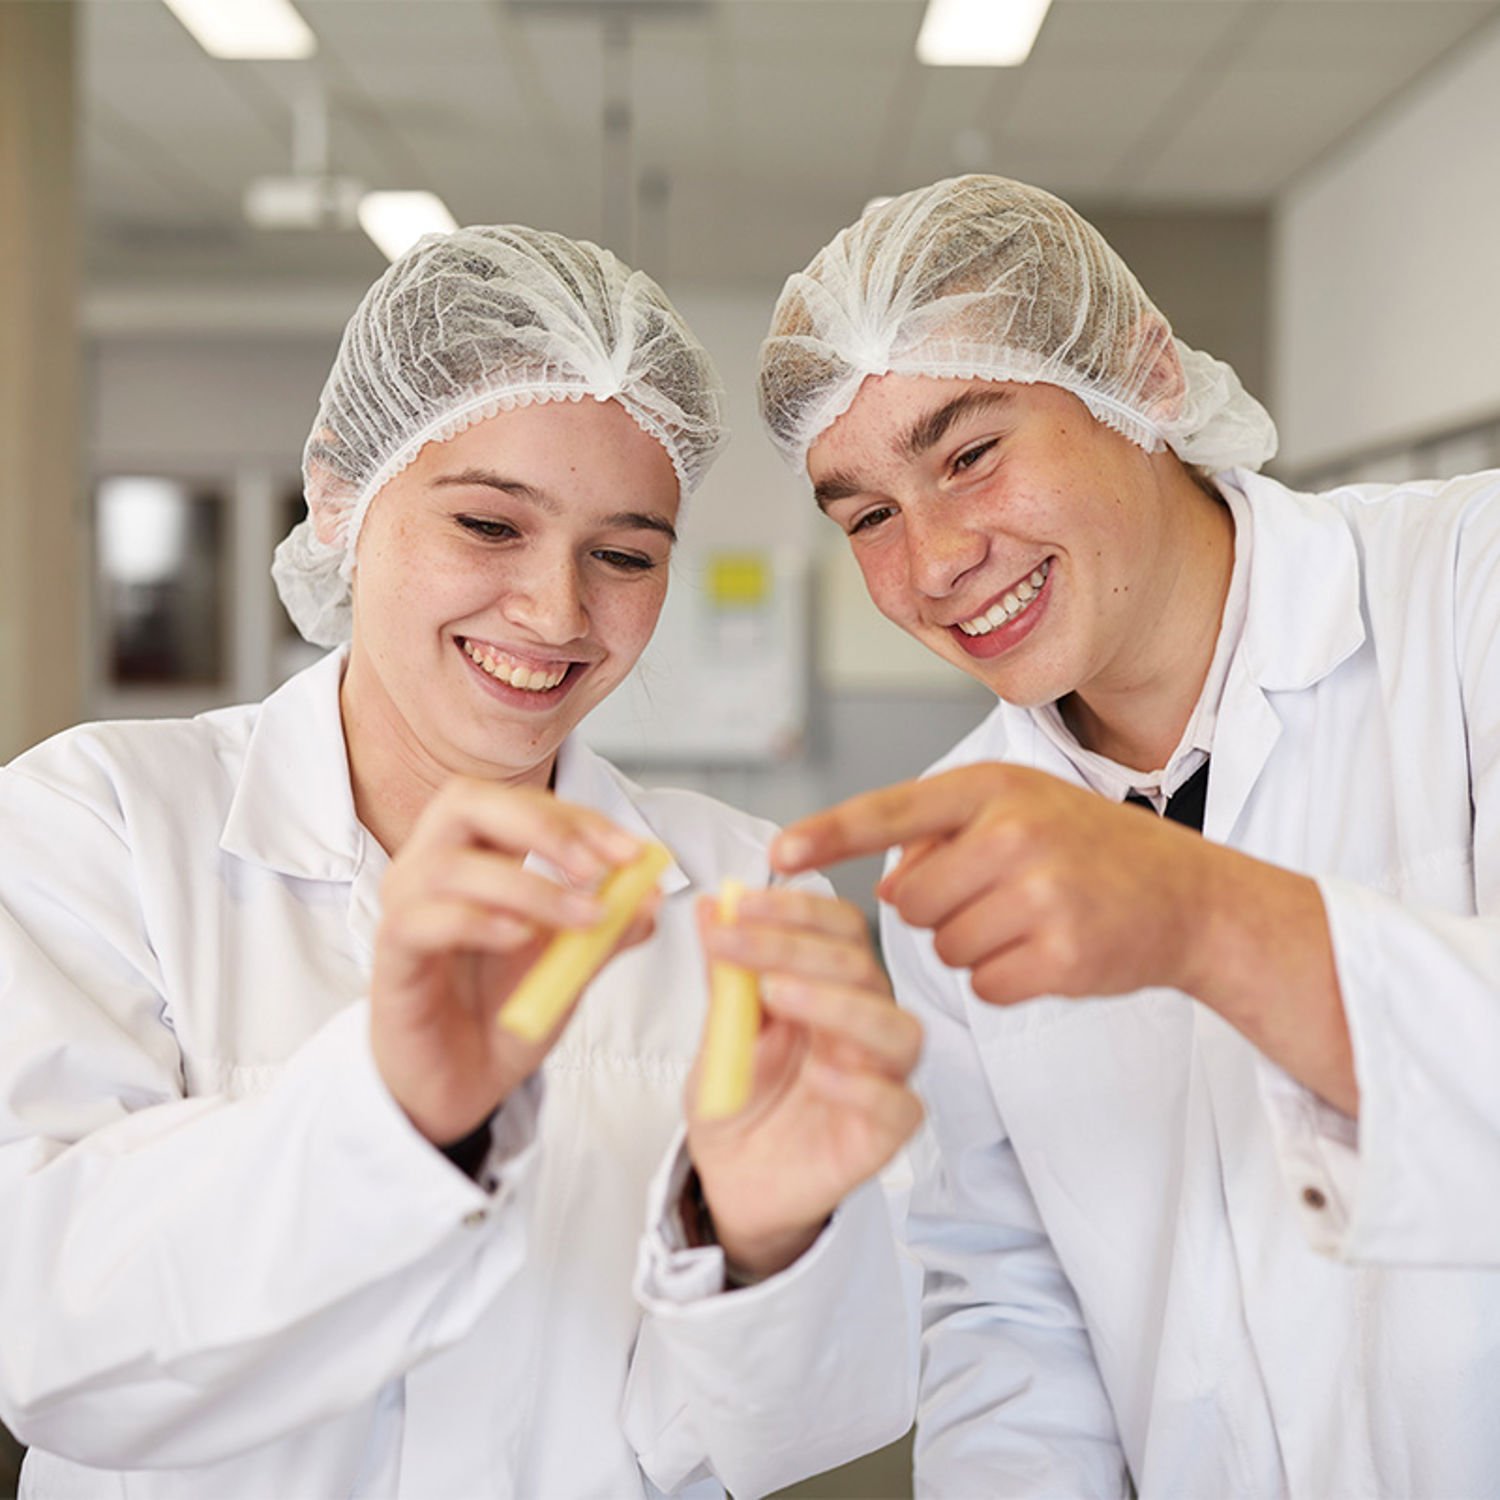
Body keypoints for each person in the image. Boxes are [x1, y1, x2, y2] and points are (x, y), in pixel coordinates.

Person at [0, 226, 923, 1499]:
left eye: (625, 554)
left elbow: (812, 1427)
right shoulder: (95, 826)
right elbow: (47, 1342)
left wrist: (759, 1248)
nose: (555, 613)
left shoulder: (744, 894)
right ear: (340, 498)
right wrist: (389, 1117)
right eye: (490, 523)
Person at [757, 174, 1500, 1497]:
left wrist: (1205, 919)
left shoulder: (1467, 596)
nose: (932, 561)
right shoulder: (958, 850)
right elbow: (1006, 1313)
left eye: (970, 453)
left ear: (1141, 377)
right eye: (868, 513)